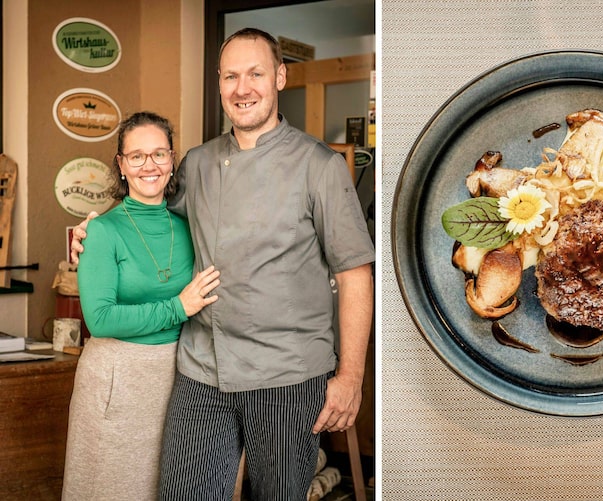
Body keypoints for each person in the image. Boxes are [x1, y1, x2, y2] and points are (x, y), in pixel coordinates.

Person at [71, 28, 375, 500]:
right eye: (231, 76)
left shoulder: (320, 166)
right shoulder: (196, 163)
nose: (243, 88)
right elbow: (146, 215)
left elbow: (354, 272)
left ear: (279, 77)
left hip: (286, 377)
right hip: (200, 371)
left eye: (255, 73)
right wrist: (88, 231)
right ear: (219, 83)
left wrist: (350, 377)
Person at [62, 112, 221, 501]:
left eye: (159, 154)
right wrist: (178, 307)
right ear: (121, 164)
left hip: (178, 377)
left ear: (172, 160)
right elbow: (100, 320)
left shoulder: (189, 226)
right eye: (136, 156)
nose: (149, 165)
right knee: (111, 488)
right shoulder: (101, 230)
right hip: (117, 378)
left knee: (160, 488)